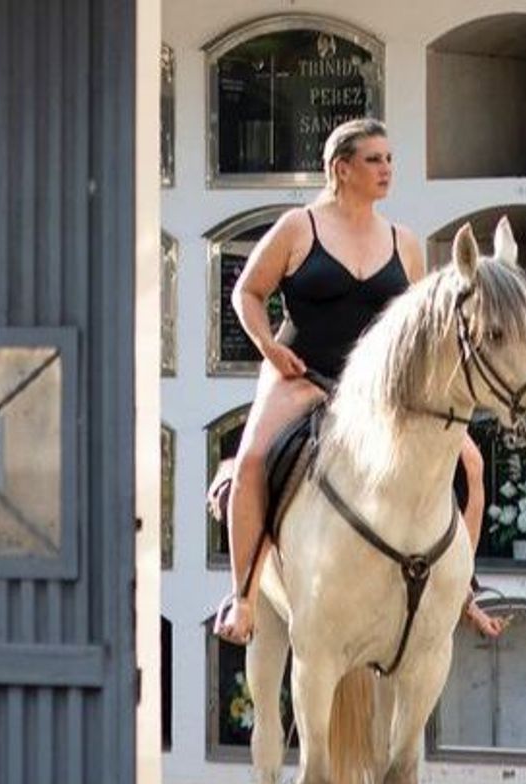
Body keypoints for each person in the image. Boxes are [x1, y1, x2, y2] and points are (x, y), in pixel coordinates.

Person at [214, 118, 505, 645]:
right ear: (340, 168)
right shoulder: (298, 227)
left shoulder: (405, 242)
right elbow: (247, 294)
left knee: (471, 461)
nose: (387, 169)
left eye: (390, 159)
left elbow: (419, 329)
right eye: (374, 160)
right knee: (256, 458)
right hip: (301, 372)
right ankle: (244, 595)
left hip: (379, 392)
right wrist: (269, 349)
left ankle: (461, 588)